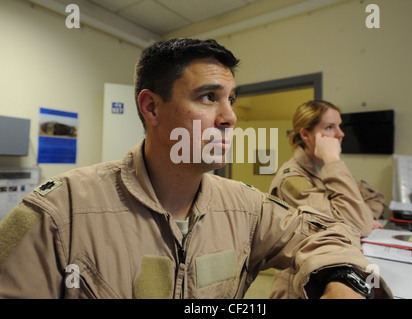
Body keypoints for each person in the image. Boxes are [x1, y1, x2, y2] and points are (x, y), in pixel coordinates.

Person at [0, 39, 391, 299]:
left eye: (231, 100)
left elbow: (330, 233)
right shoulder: (57, 212)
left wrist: (343, 280)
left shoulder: (247, 207)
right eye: (208, 98)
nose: (230, 118)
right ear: (151, 108)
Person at [269, 99, 386, 299]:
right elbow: (359, 223)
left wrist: (361, 215)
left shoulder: (322, 168)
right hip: (300, 286)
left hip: (330, 274)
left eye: (339, 126)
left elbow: (375, 198)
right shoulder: (292, 179)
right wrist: (333, 159)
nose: (340, 134)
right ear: (305, 134)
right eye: (330, 127)